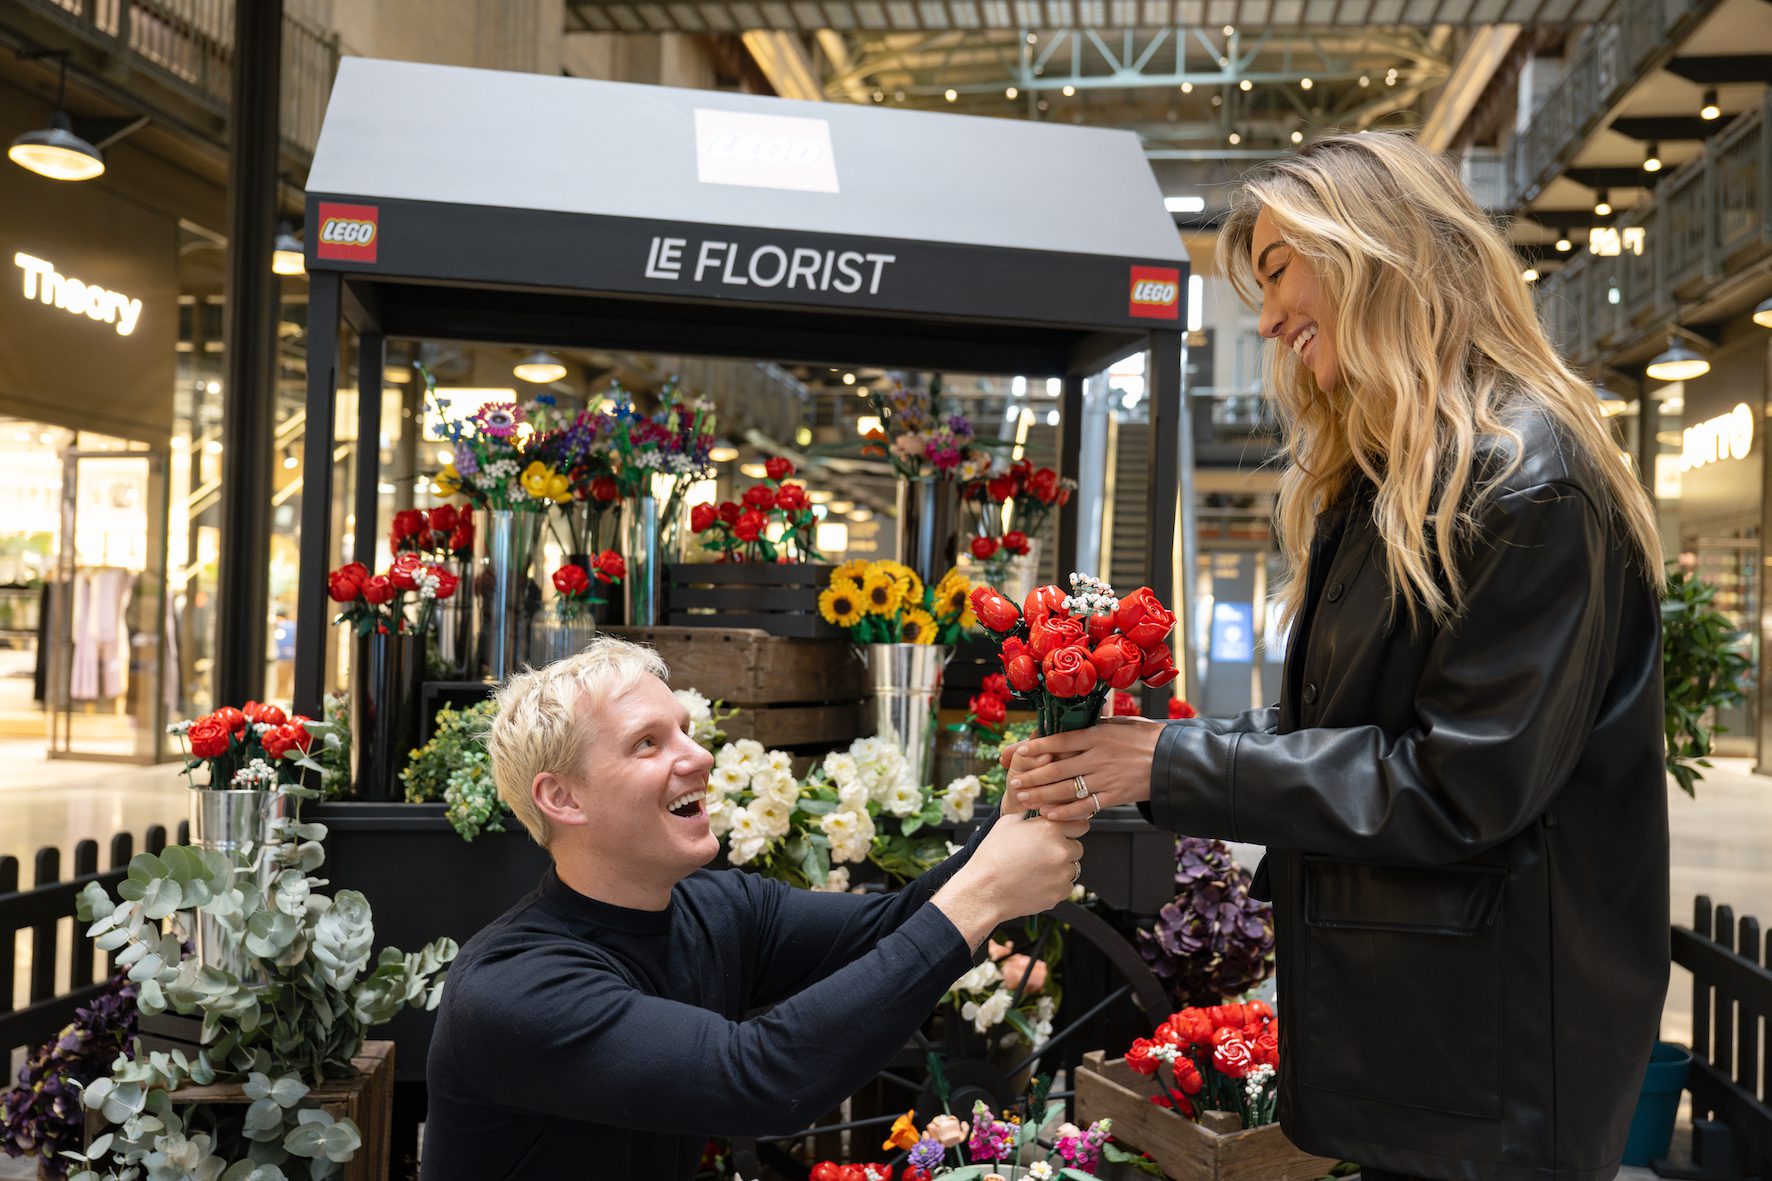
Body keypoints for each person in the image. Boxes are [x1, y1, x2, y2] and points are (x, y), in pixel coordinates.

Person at [1005, 131, 1667, 1181]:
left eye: (1276, 270)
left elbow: (1459, 786)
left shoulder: (1525, 480)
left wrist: (1171, 764)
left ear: (1375, 249)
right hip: (1428, 1031)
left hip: (1491, 1063)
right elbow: (1349, 729)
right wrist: (1160, 747)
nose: (1264, 318)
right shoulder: (1404, 474)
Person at [421, 637, 1087, 1180]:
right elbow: (761, 1077)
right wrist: (988, 891)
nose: (700, 755)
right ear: (563, 799)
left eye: (685, 728)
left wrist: (1017, 812)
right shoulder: (512, 987)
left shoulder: (718, 907)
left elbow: (891, 927)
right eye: (647, 742)